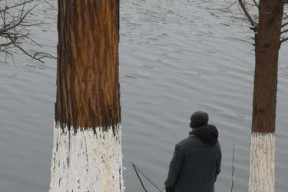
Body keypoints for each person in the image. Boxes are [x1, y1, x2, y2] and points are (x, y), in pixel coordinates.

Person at [165, 111, 222, 192]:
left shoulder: (182, 146)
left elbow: (173, 174)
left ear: (192, 125)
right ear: (206, 123)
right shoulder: (216, 145)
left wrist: (169, 188)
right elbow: (217, 170)